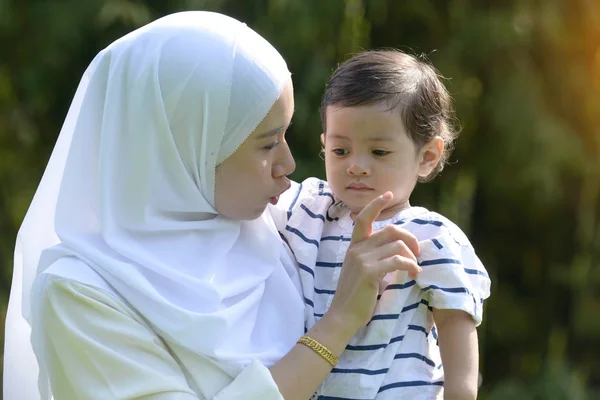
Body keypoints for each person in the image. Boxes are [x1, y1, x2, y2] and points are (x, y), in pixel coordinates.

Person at [3, 12, 424, 400]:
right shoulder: (82, 293)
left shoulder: (285, 223)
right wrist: (336, 325)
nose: (289, 165)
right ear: (186, 146)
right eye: (267, 143)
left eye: (286, 135)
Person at [272, 50, 491, 399]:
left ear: (427, 156)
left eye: (379, 152)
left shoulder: (430, 237)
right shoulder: (308, 209)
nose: (356, 166)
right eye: (341, 151)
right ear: (325, 146)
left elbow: (458, 338)